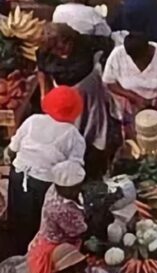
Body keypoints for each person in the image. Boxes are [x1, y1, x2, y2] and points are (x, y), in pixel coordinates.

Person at [7, 86, 86, 247]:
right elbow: (73, 170)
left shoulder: (32, 120)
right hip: (45, 184)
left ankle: (18, 251)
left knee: (20, 220)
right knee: (42, 227)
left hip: (19, 175)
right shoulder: (73, 135)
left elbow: (12, 149)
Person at [36, 23, 113, 173]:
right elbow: (42, 71)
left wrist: (102, 67)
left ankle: (96, 157)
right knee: (66, 125)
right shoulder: (44, 53)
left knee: (92, 125)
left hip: (88, 91)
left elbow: (109, 44)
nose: (58, 52)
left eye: (61, 47)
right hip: (63, 92)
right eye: (53, 50)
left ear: (68, 39)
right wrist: (44, 94)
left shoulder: (83, 42)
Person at [102, 31, 157, 145]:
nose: (139, 62)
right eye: (134, 59)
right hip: (131, 101)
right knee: (137, 138)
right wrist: (134, 97)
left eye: (142, 57)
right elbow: (109, 83)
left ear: (148, 49)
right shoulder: (117, 56)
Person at [26, 161, 88, 273]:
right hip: (55, 251)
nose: (79, 189)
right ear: (63, 188)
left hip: (56, 240)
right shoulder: (60, 208)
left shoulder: (54, 189)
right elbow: (80, 231)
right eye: (74, 188)